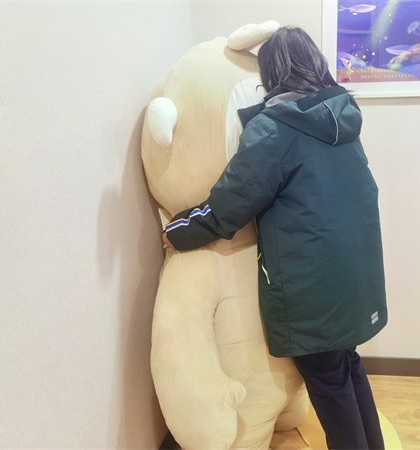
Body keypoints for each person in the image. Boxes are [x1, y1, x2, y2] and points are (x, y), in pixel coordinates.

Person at [162, 26, 387, 450]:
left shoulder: (274, 130)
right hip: (356, 277)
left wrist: (177, 230)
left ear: (271, 73)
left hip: (314, 283)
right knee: (347, 366)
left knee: (329, 380)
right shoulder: (341, 117)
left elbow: (227, 206)